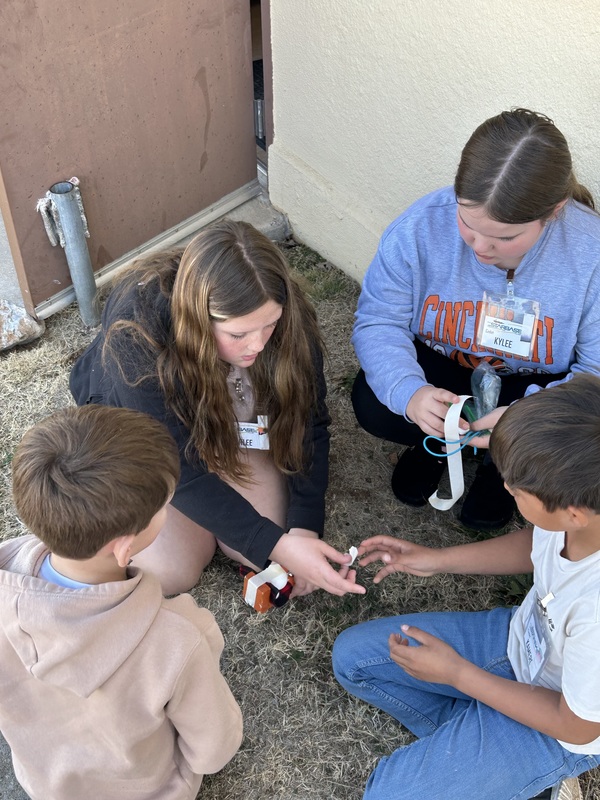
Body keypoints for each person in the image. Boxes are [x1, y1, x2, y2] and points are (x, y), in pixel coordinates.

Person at [332, 373, 600, 800]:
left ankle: (533, 778)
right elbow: (539, 543)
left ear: (572, 514)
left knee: (387, 794)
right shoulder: (582, 513)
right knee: (353, 661)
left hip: (561, 722)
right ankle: (484, 745)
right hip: (522, 643)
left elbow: (578, 725)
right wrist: (435, 560)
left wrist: (458, 674)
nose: (506, 487)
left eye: (516, 488)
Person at [70, 219, 364, 598]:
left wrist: (304, 529)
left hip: (228, 428)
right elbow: (173, 463)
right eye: (237, 334)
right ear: (197, 318)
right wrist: (278, 544)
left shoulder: (287, 321)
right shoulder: (136, 334)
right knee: (170, 571)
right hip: (157, 444)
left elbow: (309, 426)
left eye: (269, 325)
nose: (256, 346)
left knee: (272, 550)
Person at [352, 108, 600, 531]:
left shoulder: (590, 254)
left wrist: (524, 423)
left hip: (537, 386)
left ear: (554, 211)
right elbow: (378, 320)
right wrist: (410, 394)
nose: (480, 247)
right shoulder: (418, 228)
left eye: (505, 237)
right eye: (467, 223)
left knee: (570, 433)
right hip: (441, 366)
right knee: (375, 403)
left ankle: (501, 464)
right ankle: (437, 442)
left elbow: (594, 374)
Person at [0, 405, 243, 800]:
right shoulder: (178, 638)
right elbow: (213, 751)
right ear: (125, 547)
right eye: (165, 506)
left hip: (47, 785)